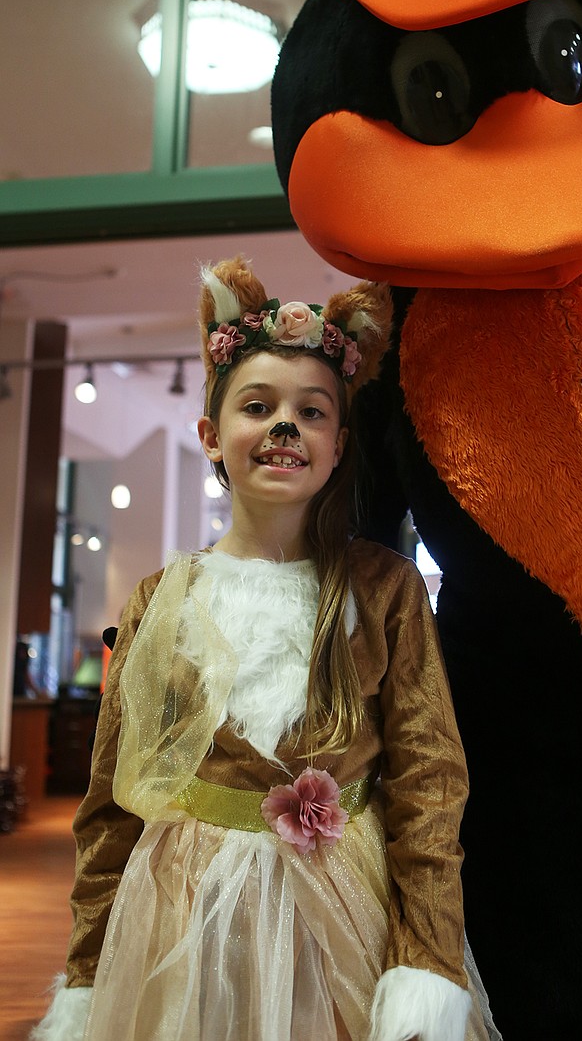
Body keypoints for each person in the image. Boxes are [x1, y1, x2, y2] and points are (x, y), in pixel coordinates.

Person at [33, 256, 497, 1041]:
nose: (286, 427)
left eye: (312, 412)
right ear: (213, 435)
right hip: (181, 923)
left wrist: (427, 957)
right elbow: (111, 802)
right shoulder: (160, 598)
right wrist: (84, 975)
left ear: (341, 441)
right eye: (259, 405)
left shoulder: (383, 590)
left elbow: (429, 782)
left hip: (339, 916)